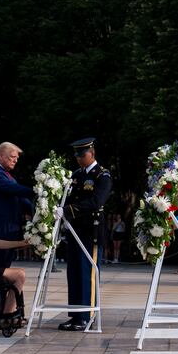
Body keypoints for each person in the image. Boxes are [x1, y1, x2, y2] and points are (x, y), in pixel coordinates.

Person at [59, 137, 112, 331]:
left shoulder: (102, 176)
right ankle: (76, 315)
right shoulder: (76, 175)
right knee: (73, 272)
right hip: (75, 230)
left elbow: (96, 202)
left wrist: (69, 210)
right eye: (77, 155)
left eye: (82, 154)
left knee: (86, 273)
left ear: (92, 153)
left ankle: (87, 316)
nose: (79, 158)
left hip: (91, 230)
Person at [0, 142, 35, 273]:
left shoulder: (6, 174)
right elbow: (12, 189)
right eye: (12, 157)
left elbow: (21, 200)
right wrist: (37, 190)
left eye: (17, 158)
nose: (16, 160)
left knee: (3, 270)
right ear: (0, 155)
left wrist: (40, 210)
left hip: (7, 231)